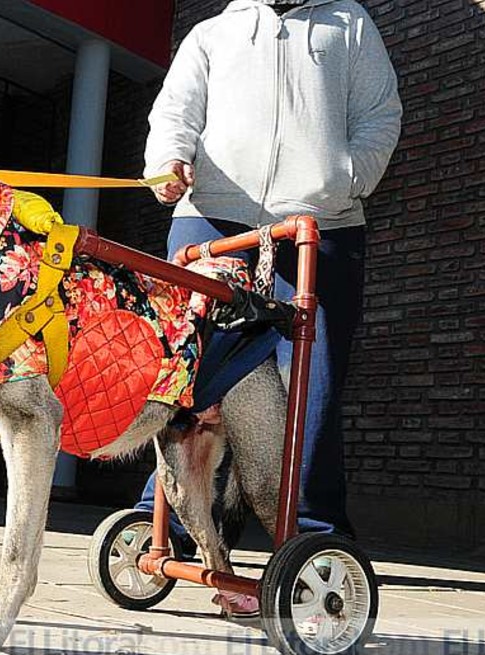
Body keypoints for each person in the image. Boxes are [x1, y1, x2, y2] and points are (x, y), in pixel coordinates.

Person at [134, 0, 402, 599]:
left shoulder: (349, 22)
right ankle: (167, 520)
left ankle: (316, 533)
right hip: (212, 216)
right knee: (185, 375)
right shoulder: (213, 32)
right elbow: (175, 111)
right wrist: (168, 163)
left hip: (324, 222)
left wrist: (342, 178)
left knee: (316, 381)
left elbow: (381, 114)